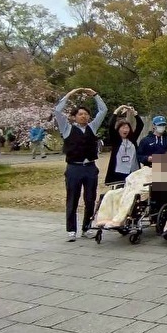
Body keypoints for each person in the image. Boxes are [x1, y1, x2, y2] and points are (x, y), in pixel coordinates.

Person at [54, 88, 108, 241]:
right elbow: (57, 111)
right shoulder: (67, 128)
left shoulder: (92, 127)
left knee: (90, 199)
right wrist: (69, 95)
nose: (83, 116)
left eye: (85, 114)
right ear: (74, 117)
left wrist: (95, 95)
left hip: (90, 167)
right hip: (74, 168)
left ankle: (87, 228)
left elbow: (103, 110)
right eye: (80, 114)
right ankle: (71, 230)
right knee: (72, 198)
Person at [105, 105, 144, 184]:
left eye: (127, 128)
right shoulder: (116, 140)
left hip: (133, 170)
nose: (125, 130)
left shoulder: (132, 139)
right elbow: (111, 126)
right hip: (119, 171)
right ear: (118, 129)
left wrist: (135, 113)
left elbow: (140, 125)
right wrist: (117, 111)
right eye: (122, 128)